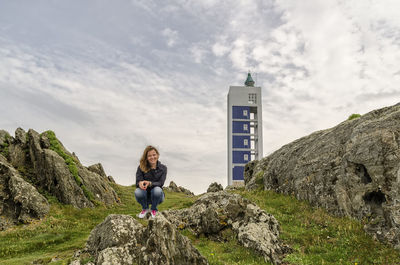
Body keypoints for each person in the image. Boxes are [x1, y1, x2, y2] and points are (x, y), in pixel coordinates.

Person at [135, 145, 167, 218]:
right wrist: (140, 183)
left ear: (158, 155)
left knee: (157, 190)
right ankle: (145, 209)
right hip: (145, 194)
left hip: (157, 196)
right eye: (149, 156)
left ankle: (154, 209)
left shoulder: (163, 168)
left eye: (154, 155)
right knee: (137, 191)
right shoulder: (141, 167)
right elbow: (137, 182)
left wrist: (150, 183)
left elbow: (161, 183)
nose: (152, 157)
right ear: (146, 157)